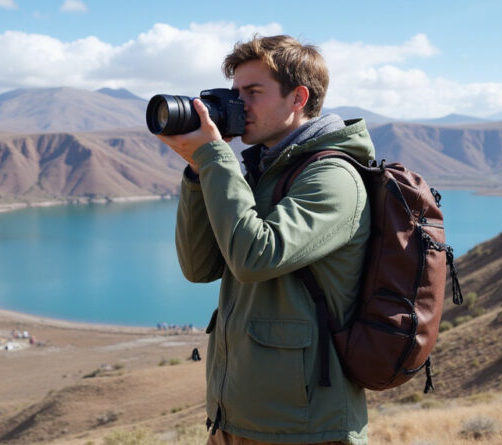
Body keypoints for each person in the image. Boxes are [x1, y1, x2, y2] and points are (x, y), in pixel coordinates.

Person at [156, 34, 374, 444]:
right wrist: (196, 171)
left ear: (298, 98)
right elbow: (199, 267)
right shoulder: (263, 171)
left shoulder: (334, 177)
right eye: (234, 93)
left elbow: (255, 257)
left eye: (253, 92)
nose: (239, 105)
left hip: (304, 429)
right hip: (235, 420)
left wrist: (213, 158)